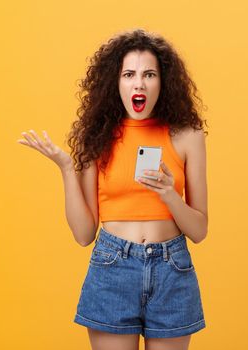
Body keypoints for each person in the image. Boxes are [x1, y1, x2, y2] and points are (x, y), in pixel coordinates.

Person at [17, 28, 209, 350]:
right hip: (113, 267)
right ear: (115, 83)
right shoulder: (97, 137)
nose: (139, 83)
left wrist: (169, 195)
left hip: (172, 270)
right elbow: (83, 234)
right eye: (129, 74)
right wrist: (67, 168)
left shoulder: (187, 136)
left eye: (149, 74)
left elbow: (200, 229)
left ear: (163, 82)